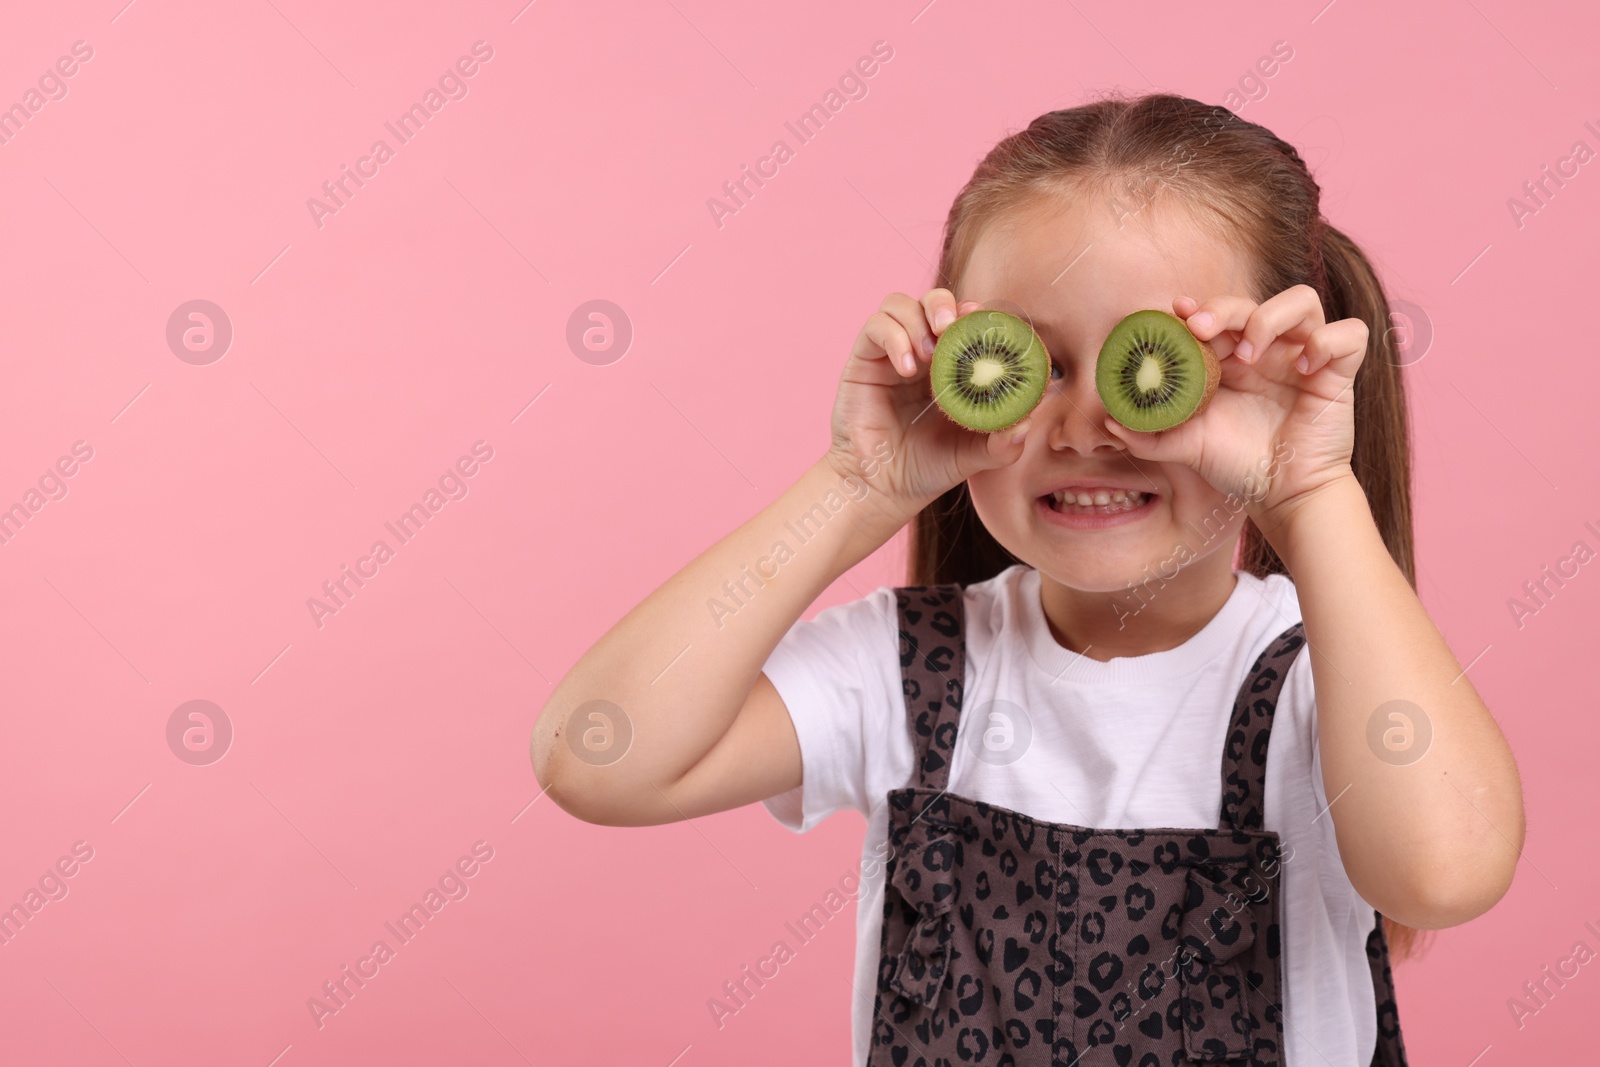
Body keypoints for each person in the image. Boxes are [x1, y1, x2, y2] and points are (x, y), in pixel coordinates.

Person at [531, 91, 1524, 1066]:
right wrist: (856, 486)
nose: (1088, 424)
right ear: (961, 364)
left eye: (1154, 363)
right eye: (1034, 361)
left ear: (1264, 373)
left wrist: (1307, 492)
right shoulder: (907, 670)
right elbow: (597, 755)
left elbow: (1444, 871)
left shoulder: (1324, 684)